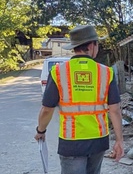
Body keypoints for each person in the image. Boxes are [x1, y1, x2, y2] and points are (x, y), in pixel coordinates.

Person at [34, 25, 124, 174]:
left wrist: (40, 130)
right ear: (91, 45)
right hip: (98, 141)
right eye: (97, 44)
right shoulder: (106, 72)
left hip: (71, 143)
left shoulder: (57, 72)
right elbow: (114, 110)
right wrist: (119, 141)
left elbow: (47, 109)